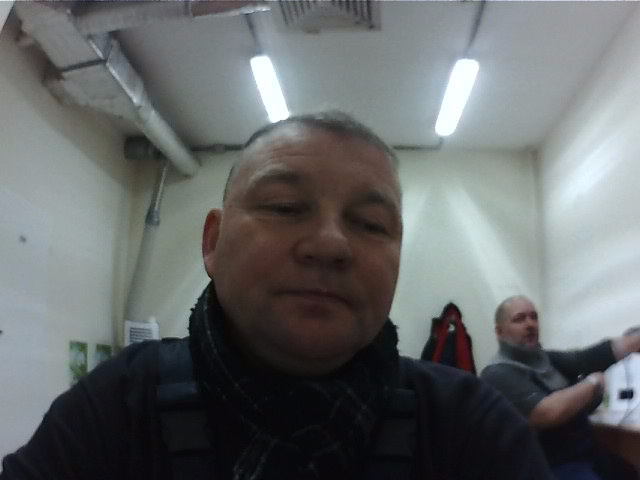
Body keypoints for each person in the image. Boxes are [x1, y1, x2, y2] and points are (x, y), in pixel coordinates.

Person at [1, 112, 554, 480]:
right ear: (213, 242)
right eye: (285, 208)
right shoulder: (119, 405)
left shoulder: (470, 428)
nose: (330, 244)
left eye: (369, 223)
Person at [481, 295, 640, 480]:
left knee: (629, 471)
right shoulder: (497, 373)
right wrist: (592, 383)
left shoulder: (547, 359)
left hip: (584, 455)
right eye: (519, 319)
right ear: (499, 331)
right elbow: (547, 412)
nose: (530, 324)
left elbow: (587, 358)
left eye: (533, 317)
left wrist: (633, 341)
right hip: (548, 467)